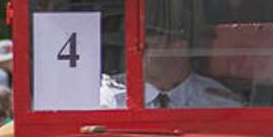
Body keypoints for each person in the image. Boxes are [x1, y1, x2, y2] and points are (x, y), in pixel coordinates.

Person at [95, 25, 243, 108]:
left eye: (146, 45)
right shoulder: (106, 97)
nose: (135, 52)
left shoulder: (219, 102)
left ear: (181, 46)